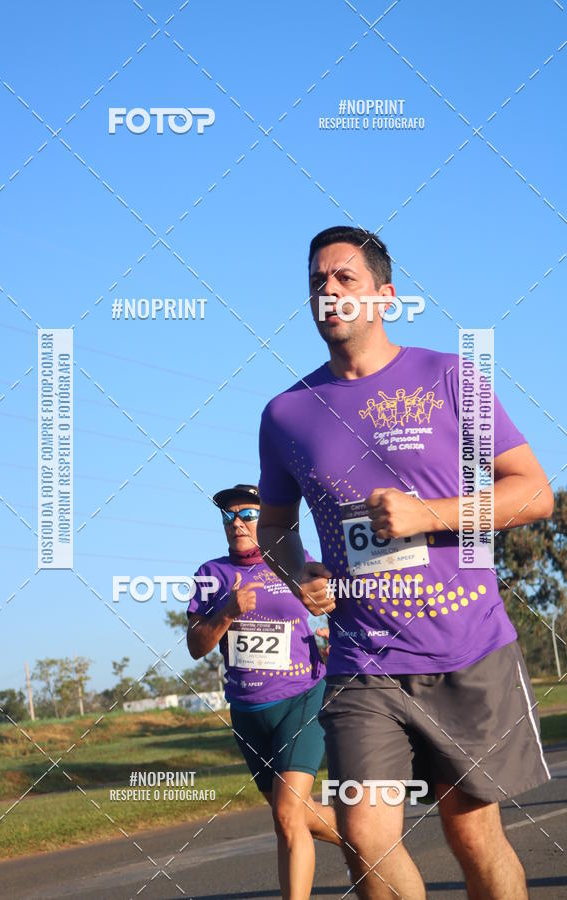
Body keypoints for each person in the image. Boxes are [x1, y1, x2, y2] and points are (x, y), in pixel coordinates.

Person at [256, 226, 554, 899]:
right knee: (365, 835)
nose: (329, 291)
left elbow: (533, 492)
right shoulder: (286, 414)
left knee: (472, 834)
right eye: (317, 281)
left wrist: (428, 514)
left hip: (466, 646)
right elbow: (274, 526)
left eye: (345, 278)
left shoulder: (448, 376)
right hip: (362, 660)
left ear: (386, 296)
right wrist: (298, 572)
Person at [186, 483, 340, 900]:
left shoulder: (295, 560)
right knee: (293, 816)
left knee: (288, 816)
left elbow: (333, 605)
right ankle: (364, 839)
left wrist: (333, 631)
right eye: (228, 516)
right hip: (248, 712)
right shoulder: (211, 574)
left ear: (265, 519)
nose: (236, 523)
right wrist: (227, 611)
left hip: (302, 698)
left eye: (247, 514)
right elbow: (196, 646)